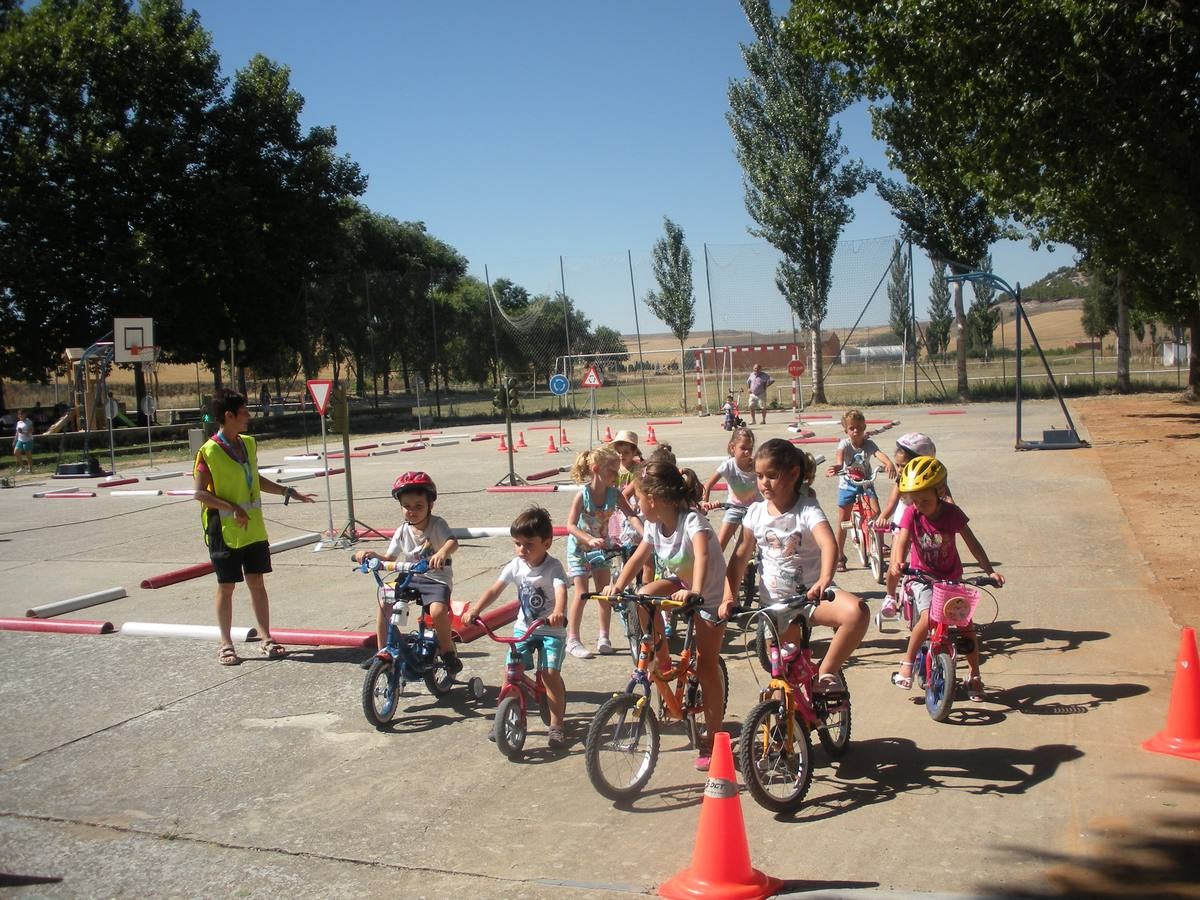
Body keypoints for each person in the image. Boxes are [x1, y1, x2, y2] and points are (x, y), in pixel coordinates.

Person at [603, 462, 729, 771]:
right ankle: (663, 660)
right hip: (682, 583)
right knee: (642, 597)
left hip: (709, 593)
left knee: (707, 664)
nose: (636, 503)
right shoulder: (655, 527)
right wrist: (617, 586)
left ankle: (713, 738)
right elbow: (637, 558)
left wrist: (695, 591)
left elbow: (702, 556)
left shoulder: (693, 522)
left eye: (639, 497)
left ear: (654, 499)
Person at [725, 439, 869, 694]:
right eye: (759, 476)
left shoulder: (807, 509)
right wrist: (728, 597)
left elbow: (828, 544)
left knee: (857, 613)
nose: (764, 483)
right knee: (783, 689)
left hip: (812, 598)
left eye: (771, 475)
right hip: (778, 608)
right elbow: (738, 557)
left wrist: (825, 579)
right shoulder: (755, 512)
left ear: (793, 474)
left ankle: (825, 672)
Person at [192, 388, 316, 666]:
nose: (248, 417)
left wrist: (288, 491)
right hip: (224, 530)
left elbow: (255, 479)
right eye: (244, 412)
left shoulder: (248, 443)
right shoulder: (208, 451)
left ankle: (267, 638)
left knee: (257, 583)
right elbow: (199, 494)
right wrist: (232, 508)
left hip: (253, 529)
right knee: (226, 586)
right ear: (228, 415)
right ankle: (225, 644)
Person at [887, 456, 1004, 700]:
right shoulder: (912, 513)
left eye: (925, 499)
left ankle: (974, 674)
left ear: (940, 490)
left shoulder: (952, 514)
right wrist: (898, 562)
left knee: (966, 626)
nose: (920, 505)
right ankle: (907, 663)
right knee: (928, 617)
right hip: (922, 577)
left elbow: (972, 542)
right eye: (915, 500)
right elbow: (903, 538)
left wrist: (989, 570)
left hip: (952, 579)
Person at [462, 507, 570, 750]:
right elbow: (494, 589)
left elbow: (561, 590)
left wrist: (558, 613)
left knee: (550, 675)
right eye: (517, 544)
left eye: (529, 544)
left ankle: (556, 726)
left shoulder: (553, 567)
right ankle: (504, 716)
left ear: (547, 543)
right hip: (525, 628)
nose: (522, 550)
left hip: (550, 630)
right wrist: (475, 610)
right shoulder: (515, 565)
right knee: (511, 670)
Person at [352, 471, 461, 674]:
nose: (412, 511)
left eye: (419, 506)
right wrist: (370, 555)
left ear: (431, 505)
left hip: (435, 579)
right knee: (384, 599)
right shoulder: (402, 530)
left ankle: (448, 652)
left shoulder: (437, 524)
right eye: (407, 507)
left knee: (437, 612)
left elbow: (452, 541)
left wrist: (442, 552)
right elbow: (389, 558)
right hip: (409, 577)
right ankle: (382, 650)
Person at [564, 446, 640, 659]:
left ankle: (604, 637)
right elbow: (570, 525)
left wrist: (646, 534)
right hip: (580, 549)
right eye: (613, 471)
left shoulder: (614, 494)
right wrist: (588, 538)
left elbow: (631, 515)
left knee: (605, 592)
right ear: (597, 469)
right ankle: (572, 639)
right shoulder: (583, 495)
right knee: (581, 593)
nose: (617, 475)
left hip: (602, 549)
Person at [875, 433, 951, 618]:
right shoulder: (902, 481)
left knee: (932, 561)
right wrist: (883, 516)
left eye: (903, 465)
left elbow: (947, 498)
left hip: (925, 526)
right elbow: (892, 503)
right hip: (903, 526)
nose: (899, 469)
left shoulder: (933, 483)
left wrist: (951, 510)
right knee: (896, 563)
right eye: (898, 465)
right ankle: (890, 595)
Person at [825, 408, 896, 572]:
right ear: (846, 430)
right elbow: (839, 457)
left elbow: (879, 454)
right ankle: (840, 556)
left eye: (859, 427)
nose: (856, 431)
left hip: (866, 483)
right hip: (848, 484)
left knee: (877, 512)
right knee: (843, 521)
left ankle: (878, 542)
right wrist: (837, 466)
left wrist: (889, 463)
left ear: (865, 427)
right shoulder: (844, 444)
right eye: (852, 428)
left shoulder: (869, 444)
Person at [700, 426, 761, 551]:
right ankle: (717, 569)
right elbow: (708, 485)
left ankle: (746, 567)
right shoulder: (728, 465)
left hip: (754, 509)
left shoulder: (756, 465)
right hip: (734, 507)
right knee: (719, 545)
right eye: (743, 448)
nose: (747, 452)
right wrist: (705, 503)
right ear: (732, 448)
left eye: (750, 449)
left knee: (744, 548)